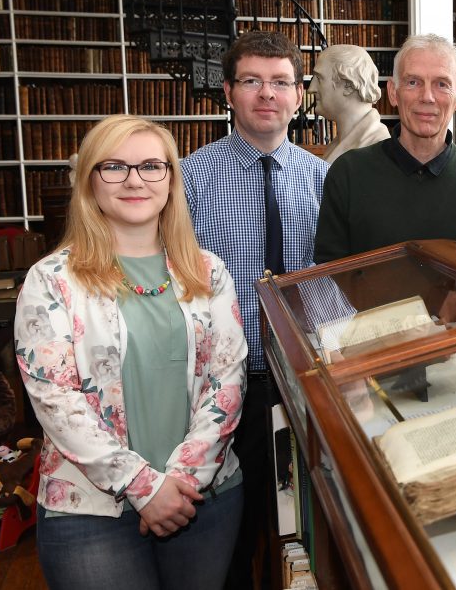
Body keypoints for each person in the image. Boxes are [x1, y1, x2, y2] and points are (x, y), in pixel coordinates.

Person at [14, 115, 247, 589]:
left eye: (150, 167)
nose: (135, 180)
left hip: (201, 496)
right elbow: (57, 401)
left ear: (170, 180)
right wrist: (147, 489)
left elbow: (228, 381)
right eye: (115, 167)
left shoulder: (209, 272)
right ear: (90, 182)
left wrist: (178, 484)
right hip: (90, 511)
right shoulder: (51, 279)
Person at [181, 30, 344, 588]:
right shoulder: (192, 176)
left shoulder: (323, 178)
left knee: (305, 524)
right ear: (228, 91)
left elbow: (333, 283)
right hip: (224, 386)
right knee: (228, 530)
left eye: (280, 83)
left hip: (304, 380)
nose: (267, 94)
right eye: (252, 81)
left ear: (300, 96)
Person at [313, 33, 456, 263]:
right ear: (393, 92)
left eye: (442, 84)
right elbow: (328, 275)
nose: (427, 97)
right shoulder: (348, 173)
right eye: (413, 82)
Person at [309, 44, 391, 164]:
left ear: (348, 85)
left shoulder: (377, 148)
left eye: (319, 78)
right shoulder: (338, 144)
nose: (311, 89)